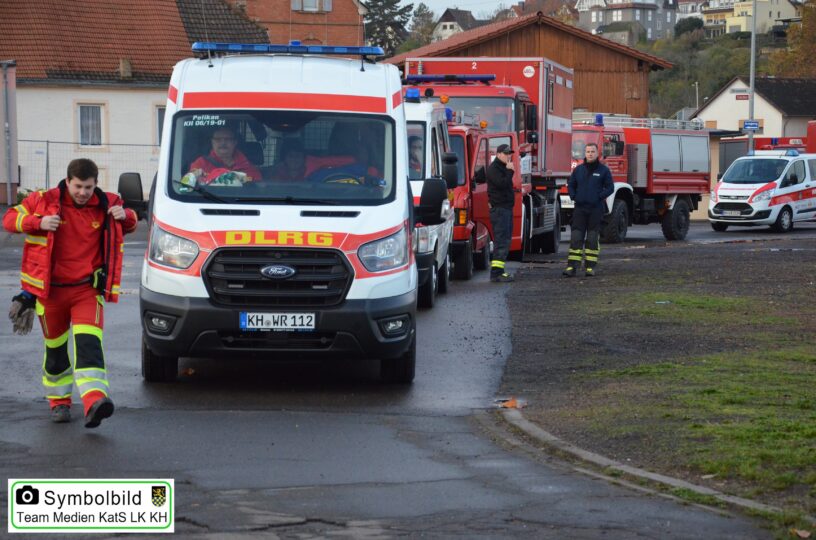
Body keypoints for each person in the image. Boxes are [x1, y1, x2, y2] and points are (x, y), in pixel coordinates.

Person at [3, 158, 138, 428]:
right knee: (55, 350)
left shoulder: (107, 202)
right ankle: (59, 402)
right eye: (78, 186)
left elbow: (131, 220)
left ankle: (95, 401)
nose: (83, 192)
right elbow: (9, 219)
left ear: (95, 184)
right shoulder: (44, 200)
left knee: (89, 345)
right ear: (67, 182)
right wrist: (37, 223)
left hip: (86, 291)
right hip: (50, 293)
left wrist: (128, 216)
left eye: (88, 187)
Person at [563, 142, 614, 277]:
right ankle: (572, 267)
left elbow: (610, 188)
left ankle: (590, 267)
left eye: (592, 151)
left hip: (595, 209)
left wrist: (599, 197)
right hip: (580, 209)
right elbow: (571, 185)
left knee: (592, 238)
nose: (590, 154)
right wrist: (574, 196)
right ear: (584, 154)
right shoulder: (579, 170)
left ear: (597, 153)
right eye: (588, 152)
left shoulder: (603, 170)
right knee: (576, 237)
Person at [189, 126, 261, 184]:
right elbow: (188, 183)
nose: (223, 143)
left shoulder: (246, 165)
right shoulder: (201, 163)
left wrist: (242, 179)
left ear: (235, 142)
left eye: (227, 139)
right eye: (218, 139)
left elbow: (256, 187)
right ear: (212, 142)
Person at [487, 144, 516, 283]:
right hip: (499, 210)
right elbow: (501, 184)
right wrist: (510, 172)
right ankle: (496, 273)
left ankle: (500, 271)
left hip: (506, 209)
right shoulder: (494, 169)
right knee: (501, 241)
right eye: (505, 153)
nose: (508, 156)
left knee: (506, 240)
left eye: (509, 153)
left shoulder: (502, 168)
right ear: (498, 154)